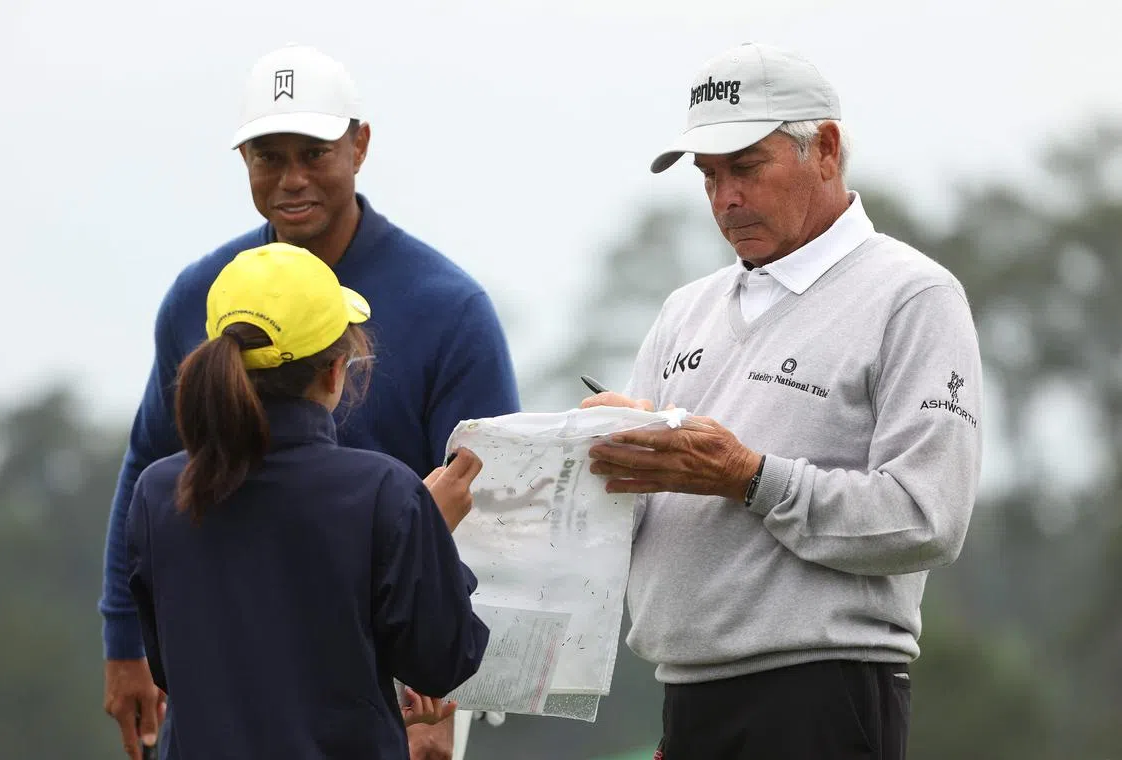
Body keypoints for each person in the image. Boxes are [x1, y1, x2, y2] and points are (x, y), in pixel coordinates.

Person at [99, 43, 520, 760]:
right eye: (269, 156)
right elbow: (149, 461)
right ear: (338, 366)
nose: (291, 179)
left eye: (313, 153)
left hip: (399, 680)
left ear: (359, 145)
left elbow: (499, 501)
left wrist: (451, 708)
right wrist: (122, 643)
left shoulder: (449, 309)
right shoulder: (196, 297)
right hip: (248, 676)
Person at [584, 42, 983, 760]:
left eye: (746, 167)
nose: (725, 198)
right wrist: (596, 459)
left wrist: (749, 477)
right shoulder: (685, 310)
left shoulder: (912, 296)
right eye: (709, 176)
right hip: (687, 699)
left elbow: (928, 519)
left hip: (826, 698)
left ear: (825, 150)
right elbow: (640, 523)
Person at [125, 241, 489, 759]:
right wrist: (429, 527)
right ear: (335, 370)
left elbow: (169, 668)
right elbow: (445, 662)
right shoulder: (386, 492)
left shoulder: (158, 493)